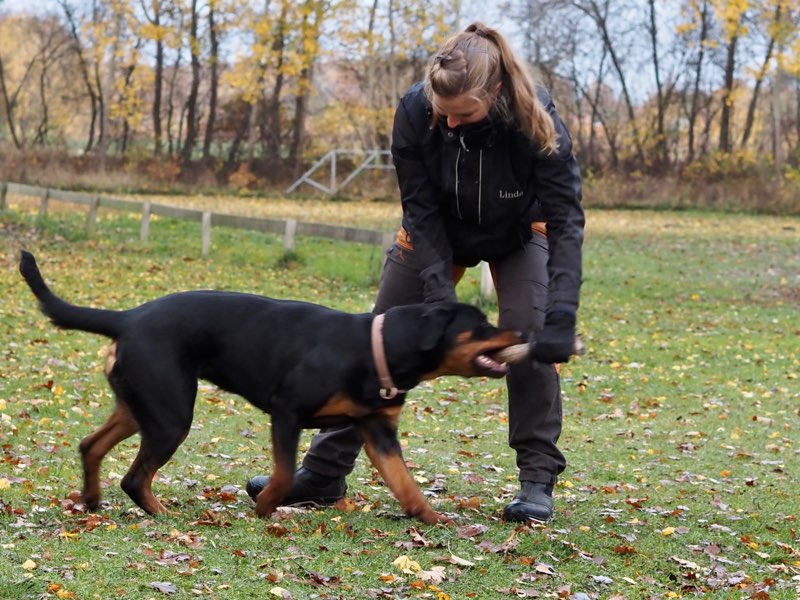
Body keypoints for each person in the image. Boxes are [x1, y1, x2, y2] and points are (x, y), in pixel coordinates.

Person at [246, 22, 584, 523]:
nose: (449, 124)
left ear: (493, 92)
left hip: (520, 229)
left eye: (463, 114)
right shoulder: (414, 110)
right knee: (375, 343)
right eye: (441, 112)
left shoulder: (536, 119)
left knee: (529, 333)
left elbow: (565, 217)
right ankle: (322, 474)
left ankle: (536, 482)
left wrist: (561, 315)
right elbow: (420, 209)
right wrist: (436, 291)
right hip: (435, 231)